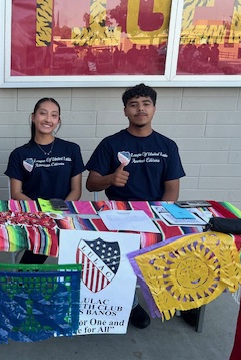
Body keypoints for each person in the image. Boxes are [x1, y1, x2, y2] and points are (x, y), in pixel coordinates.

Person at [85, 83, 185, 330]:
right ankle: (130, 305)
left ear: (154, 109)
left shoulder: (167, 146)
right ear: (125, 111)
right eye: (134, 105)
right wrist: (110, 179)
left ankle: (179, 301)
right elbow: (91, 183)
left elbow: (172, 188)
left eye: (146, 104)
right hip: (118, 214)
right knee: (120, 261)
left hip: (156, 214)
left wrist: (160, 218)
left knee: (175, 254)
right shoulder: (111, 143)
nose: (140, 109)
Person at [5, 97, 84, 264]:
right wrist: (41, 212)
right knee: (43, 238)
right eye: (43, 114)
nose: (48, 119)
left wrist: (59, 212)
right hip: (33, 215)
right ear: (33, 117)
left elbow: (76, 189)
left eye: (54, 115)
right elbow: (16, 193)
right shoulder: (19, 154)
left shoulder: (72, 149)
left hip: (64, 214)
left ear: (58, 120)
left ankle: (24, 281)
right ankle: (24, 282)